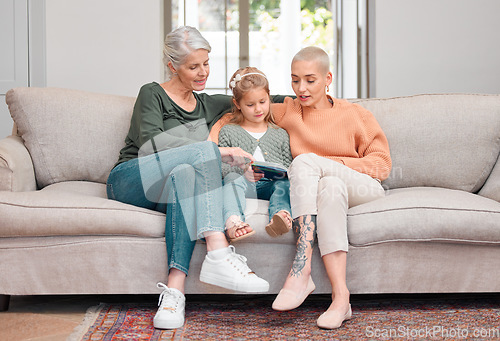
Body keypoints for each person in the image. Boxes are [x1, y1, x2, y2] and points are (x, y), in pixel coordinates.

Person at [106, 26, 282, 330]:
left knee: (185, 176)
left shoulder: (207, 104)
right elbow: (151, 145)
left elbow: (265, 97)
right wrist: (220, 151)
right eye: (193, 66)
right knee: (205, 151)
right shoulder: (152, 94)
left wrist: (313, 97)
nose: (203, 73)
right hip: (131, 178)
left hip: (171, 186)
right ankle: (218, 252)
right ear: (172, 66)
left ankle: (174, 293)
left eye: (206, 63)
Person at [210, 46, 391, 329]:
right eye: (295, 80)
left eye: (310, 80)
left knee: (306, 163)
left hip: (363, 187)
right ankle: (341, 299)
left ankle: (301, 268)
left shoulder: (356, 114)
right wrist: (214, 148)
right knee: (329, 187)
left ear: (328, 78)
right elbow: (234, 115)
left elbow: (381, 165)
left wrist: (326, 163)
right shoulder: (288, 111)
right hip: (326, 188)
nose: (301, 89)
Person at [218, 67, 293, 240]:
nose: (258, 109)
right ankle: (233, 220)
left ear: (269, 98)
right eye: (250, 105)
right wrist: (243, 172)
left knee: (283, 185)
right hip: (243, 185)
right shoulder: (228, 131)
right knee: (231, 180)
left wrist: (279, 174)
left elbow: (289, 168)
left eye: (262, 102)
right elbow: (221, 168)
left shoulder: (280, 133)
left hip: (269, 186)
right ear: (237, 104)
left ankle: (281, 215)